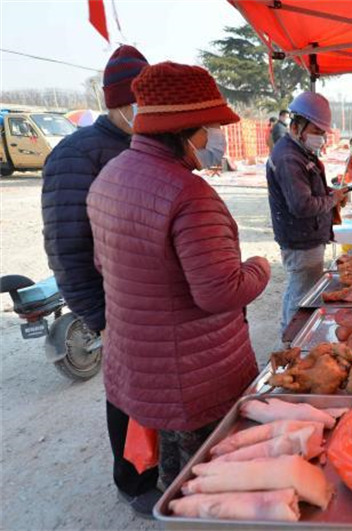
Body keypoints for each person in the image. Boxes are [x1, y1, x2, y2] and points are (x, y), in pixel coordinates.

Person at [86, 62, 271, 494]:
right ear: (188, 129)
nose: (217, 137)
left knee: (174, 476)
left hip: (140, 363)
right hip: (194, 373)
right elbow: (220, 290)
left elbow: (103, 264)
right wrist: (261, 266)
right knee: (210, 480)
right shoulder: (190, 195)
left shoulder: (110, 177)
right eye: (212, 126)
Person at [40, 45, 160, 516]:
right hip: (113, 301)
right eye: (142, 102)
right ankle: (133, 481)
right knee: (127, 394)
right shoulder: (77, 155)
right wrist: (98, 317)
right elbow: (67, 245)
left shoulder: (144, 143)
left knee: (155, 389)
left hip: (149, 296)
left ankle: (161, 466)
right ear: (122, 102)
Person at [267, 92, 349, 333]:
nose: (321, 138)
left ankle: (294, 335)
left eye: (323, 132)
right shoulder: (288, 158)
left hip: (310, 236)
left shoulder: (300, 152)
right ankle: (291, 341)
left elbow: (309, 189)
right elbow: (301, 205)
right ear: (296, 127)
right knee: (301, 293)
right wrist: (331, 199)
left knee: (305, 288)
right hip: (300, 239)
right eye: (316, 131)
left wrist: (330, 193)